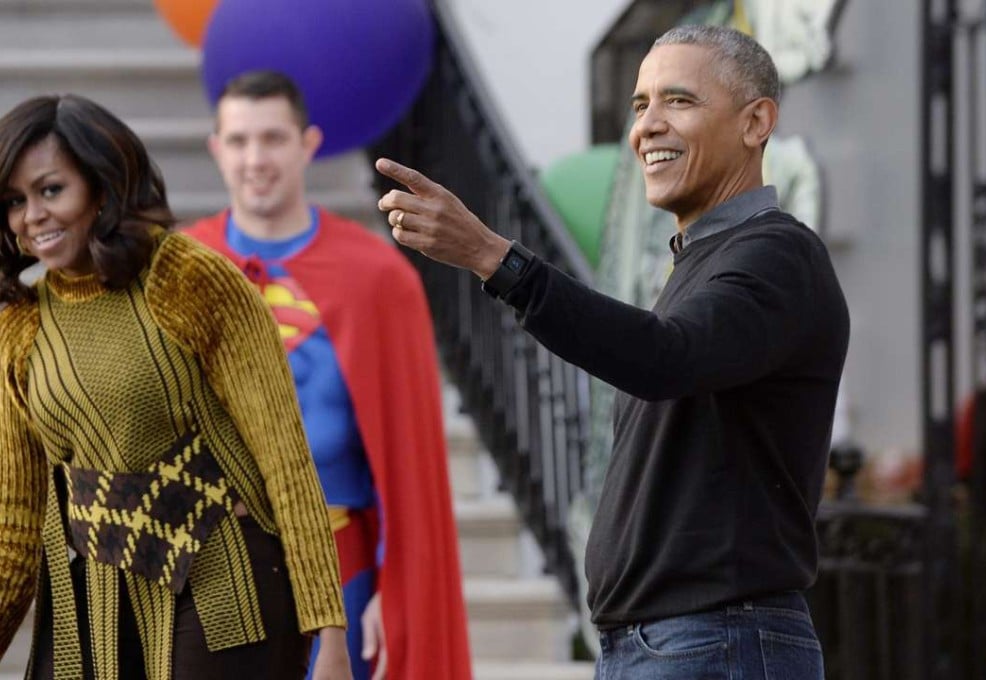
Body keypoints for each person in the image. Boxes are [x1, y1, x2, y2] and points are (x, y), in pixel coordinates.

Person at [377, 24, 849, 679]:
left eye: (678, 100)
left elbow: (664, 358)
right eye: (640, 104)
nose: (647, 126)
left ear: (756, 122)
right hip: (671, 643)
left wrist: (495, 257)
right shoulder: (705, 260)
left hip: (716, 641)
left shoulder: (777, 255)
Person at [0, 94, 353, 680]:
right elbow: (15, 522)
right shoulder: (20, 326)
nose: (32, 215)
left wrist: (330, 631)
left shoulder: (188, 278)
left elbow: (285, 456)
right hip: (100, 600)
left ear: (102, 186)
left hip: (227, 578)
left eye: (51, 190)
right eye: (15, 201)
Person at [186, 71, 471, 680]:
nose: (255, 159)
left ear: (308, 144)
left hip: (345, 567)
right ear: (216, 149)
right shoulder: (181, 271)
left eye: (273, 138)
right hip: (213, 564)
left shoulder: (374, 276)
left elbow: (408, 461)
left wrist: (396, 589)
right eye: (238, 141)